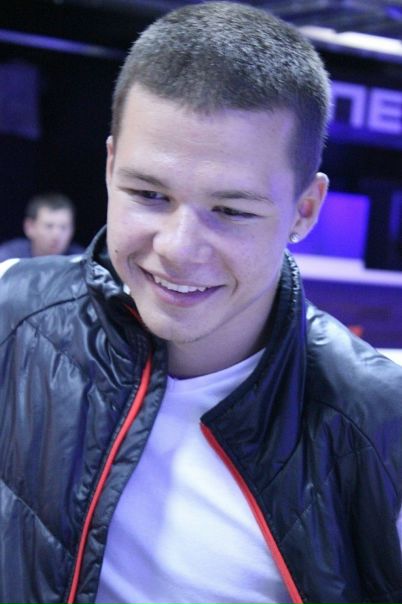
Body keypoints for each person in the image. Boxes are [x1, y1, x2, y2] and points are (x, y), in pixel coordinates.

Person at [0, 2, 401, 603]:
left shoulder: (378, 427)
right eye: (148, 194)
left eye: (231, 210)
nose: (179, 249)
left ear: (304, 210)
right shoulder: (12, 311)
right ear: (110, 167)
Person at [0, 191, 84, 261]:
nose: (57, 234)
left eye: (63, 227)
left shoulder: (81, 262)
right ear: (29, 227)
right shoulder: (8, 258)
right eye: (49, 226)